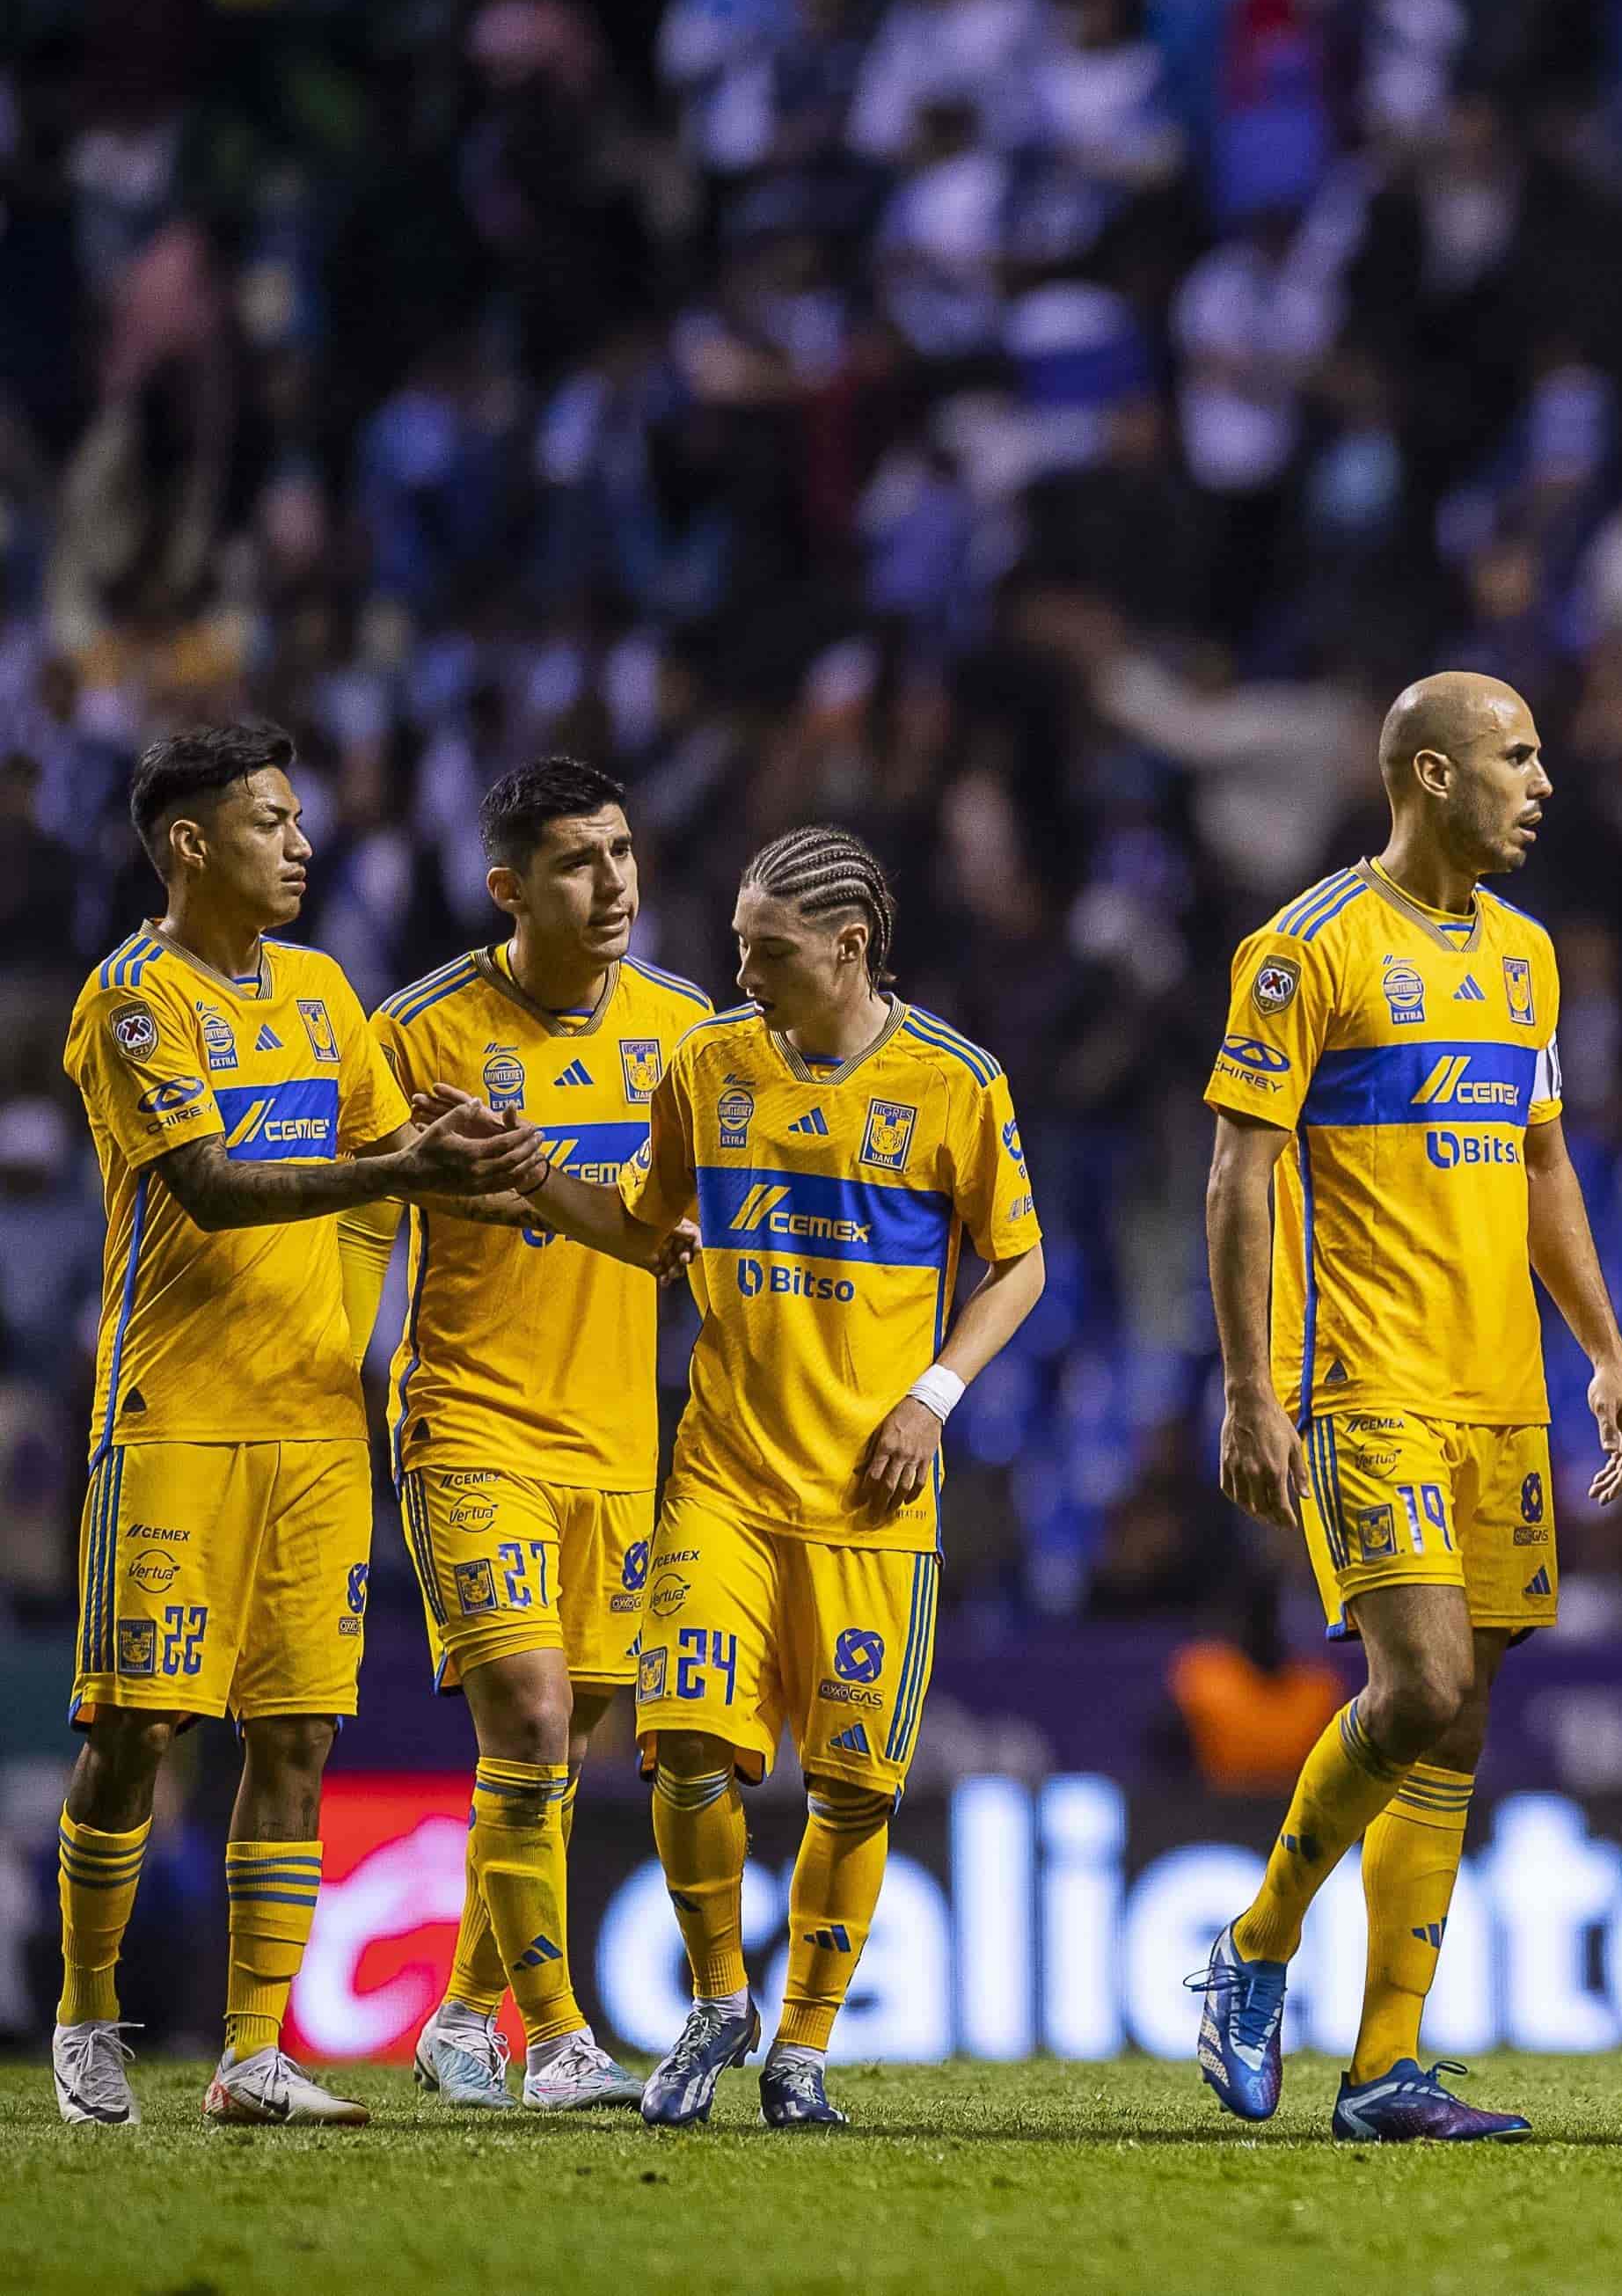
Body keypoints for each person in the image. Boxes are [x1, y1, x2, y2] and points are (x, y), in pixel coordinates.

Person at [51, 720, 545, 2128]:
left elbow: (404, 1159)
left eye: (299, 818)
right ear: (191, 843)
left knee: (298, 1737)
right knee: (138, 1728)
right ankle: (86, 2017)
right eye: (270, 821)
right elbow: (210, 1185)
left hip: (319, 1421)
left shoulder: (328, 993)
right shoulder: (132, 1001)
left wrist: (497, 1169)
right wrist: (396, 1168)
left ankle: (252, 2051)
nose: (301, 843)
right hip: (175, 1418)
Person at [517, 824, 1045, 2129]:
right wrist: (529, 1173)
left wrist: (933, 1397)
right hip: (725, 1478)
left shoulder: (954, 1081)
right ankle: (716, 2000)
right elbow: (647, 1226)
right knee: (684, 1743)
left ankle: (802, 2046)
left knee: (855, 1787)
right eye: (740, 947)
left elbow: (1020, 1262)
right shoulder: (708, 1066)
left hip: (872, 1495)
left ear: (850, 947)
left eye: (770, 952)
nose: (743, 973)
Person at [1192, 670, 1622, 2143]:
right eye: (1518, 756)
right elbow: (1240, 1172)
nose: (1543, 782)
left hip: (1501, 1389)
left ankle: (1386, 2064)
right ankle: (1256, 1943)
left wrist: (1602, 1347)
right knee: (1423, 1686)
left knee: (1459, 1721)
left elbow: (1544, 1161)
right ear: (1433, 774)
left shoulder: (1526, 955)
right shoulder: (1307, 947)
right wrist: (1251, 1388)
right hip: (1367, 1378)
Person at [374, 757, 711, 2111]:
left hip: (618, 1436)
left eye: (621, 851)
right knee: (529, 1709)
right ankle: (561, 2036)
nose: (613, 881)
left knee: (558, 1747)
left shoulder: (685, 1027)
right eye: (578, 861)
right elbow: (350, 1208)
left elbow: (688, 1220)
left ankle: (462, 2013)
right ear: (508, 887)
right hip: (470, 1418)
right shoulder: (416, 1032)